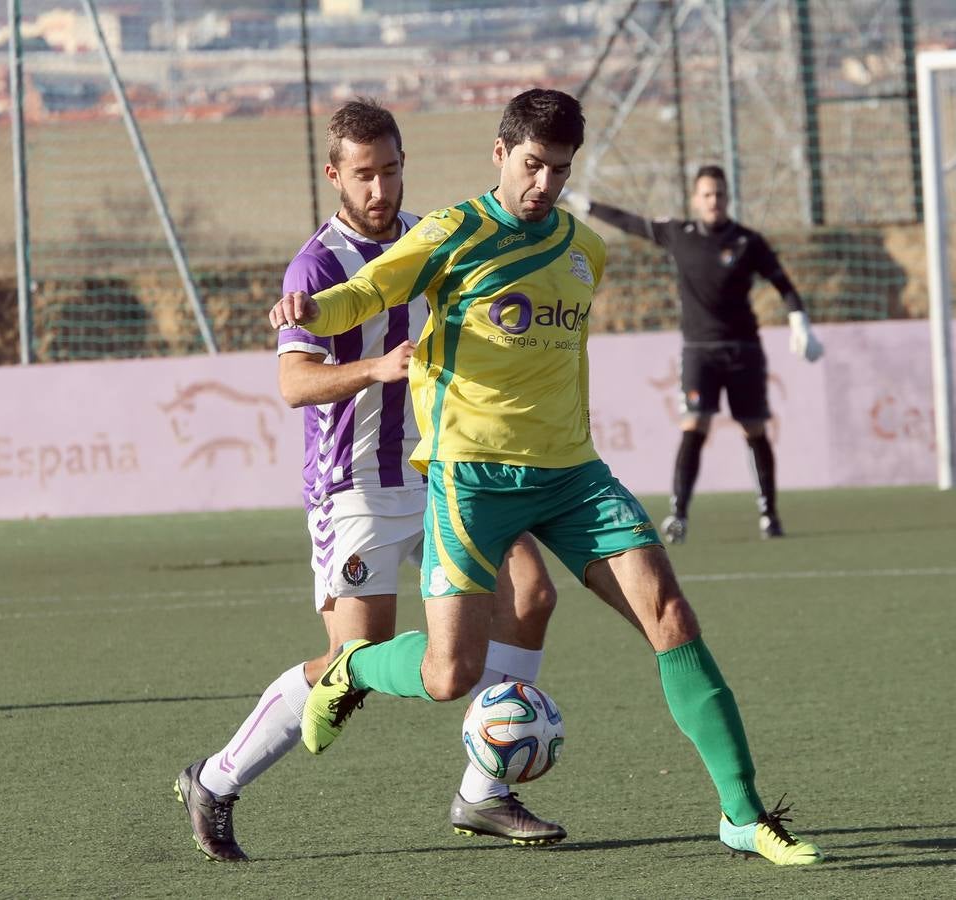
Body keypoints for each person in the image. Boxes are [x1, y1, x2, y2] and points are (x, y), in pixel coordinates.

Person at [268, 89, 824, 867]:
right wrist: (308, 310)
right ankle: (353, 667)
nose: (544, 185)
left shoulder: (581, 250)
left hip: (573, 477)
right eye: (532, 165)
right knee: (446, 674)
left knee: (669, 616)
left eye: (559, 170)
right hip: (470, 480)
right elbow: (367, 292)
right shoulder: (449, 232)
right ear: (499, 154)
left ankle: (743, 813)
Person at [174, 98, 565, 863]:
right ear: (335, 176)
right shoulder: (317, 265)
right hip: (352, 483)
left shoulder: (430, 239)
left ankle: (485, 792)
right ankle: (216, 780)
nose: (380, 188)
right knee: (353, 666)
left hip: (448, 469)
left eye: (389, 170)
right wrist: (375, 369)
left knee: (530, 594)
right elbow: (292, 383)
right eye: (364, 175)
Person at [559, 166, 824, 543]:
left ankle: (770, 514)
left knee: (754, 429)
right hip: (699, 351)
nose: (713, 201)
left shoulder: (749, 242)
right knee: (694, 425)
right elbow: (630, 222)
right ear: (696, 199)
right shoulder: (679, 234)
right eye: (707, 194)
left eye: (719, 194)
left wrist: (801, 322)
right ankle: (679, 515)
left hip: (744, 350)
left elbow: (784, 285)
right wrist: (581, 202)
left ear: (727, 198)